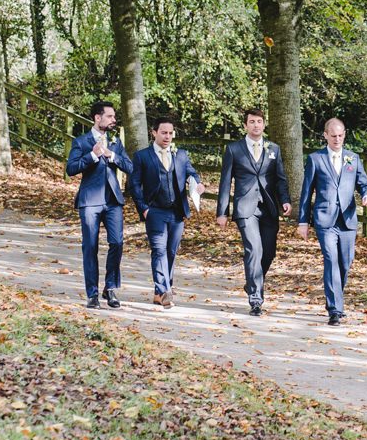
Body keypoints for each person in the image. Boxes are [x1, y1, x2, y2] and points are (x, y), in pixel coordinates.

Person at [297, 118, 367, 326]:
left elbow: (363, 184)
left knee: (345, 262)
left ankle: (336, 298)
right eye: (333, 136)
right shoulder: (315, 159)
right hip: (324, 219)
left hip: (347, 219)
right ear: (325, 136)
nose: (337, 139)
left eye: (340, 135)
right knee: (330, 259)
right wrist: (303, 221)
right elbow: (306, 192)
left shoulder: (353, 158)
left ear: (344, 134)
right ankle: (335, 309)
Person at [217, 107, 290, 316]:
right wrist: (221, 212)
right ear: (245, 125)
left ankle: (252, 282)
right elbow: (225, 183)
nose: (256, 125)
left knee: (269, 252)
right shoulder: (234, 149)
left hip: (268, 207)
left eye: (259, 121)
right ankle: (256, 299)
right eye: (252, 122)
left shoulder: (273, 148)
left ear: (264, 124)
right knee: (254, 249)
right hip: (245, 208)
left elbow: (280, 179)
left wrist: (285, 201)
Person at [129, 118, 200, 307]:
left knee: (171, 252)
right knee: (159, 250)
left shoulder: (181, 155)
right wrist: (143, 208)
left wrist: (196, 184)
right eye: (164, 132)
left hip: (177, 212)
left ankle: (160, 292)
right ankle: (164, 290)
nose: (167, 136)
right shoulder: (142, 156)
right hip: (155, 211)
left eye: (170, 133)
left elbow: (192, 173)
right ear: (154, 133)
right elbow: (134, 184)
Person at [65, 101, 128, 309]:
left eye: (113, 117)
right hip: (89, 201)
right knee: (90, 247)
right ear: (97, 118)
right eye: (109, 116)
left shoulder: (115, 141)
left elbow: (130, 166)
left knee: (117, 243)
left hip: (113, 201)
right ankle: (92, 294)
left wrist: (112, 156)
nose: (113, 120)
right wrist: (93, 155)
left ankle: (110, 288)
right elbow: (71, 168)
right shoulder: (81, 141)